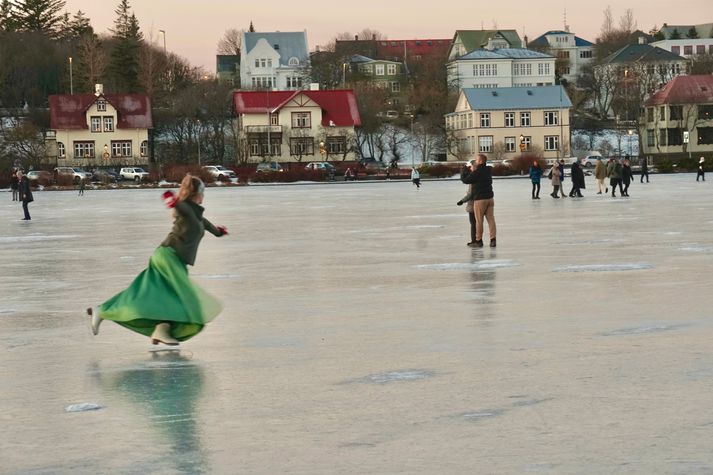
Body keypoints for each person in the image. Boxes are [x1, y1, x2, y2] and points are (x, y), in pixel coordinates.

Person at [87, 174, 229, 346]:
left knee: (160, 297)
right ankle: (112, 314)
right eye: (202, 192)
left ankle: (158, 328)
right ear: (196, 193)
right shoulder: (185, 207)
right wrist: (171, 200)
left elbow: (208, 226)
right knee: (185, 297)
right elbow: (178, 206)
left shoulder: (197, 215)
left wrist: (219, 232)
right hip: (169, 256)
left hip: (175, 260)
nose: (203, 196)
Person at [461, 154, 496, 247]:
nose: (475, 161)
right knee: (491, 220)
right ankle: (493, 240)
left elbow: (465, 180)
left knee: (479, 221)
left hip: (480, 200)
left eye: (476, 160)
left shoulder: (477, 172)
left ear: (480, 161)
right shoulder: (488, 170)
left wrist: (464, 171)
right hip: (490, 198)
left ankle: (478, 241)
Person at [457, 160, 477, 246]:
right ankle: (477, 240)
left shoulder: (474, 178)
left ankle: (475, 240)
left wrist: (462, 201)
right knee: (476, 223)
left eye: (471, 167)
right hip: (478, 202)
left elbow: (470, 193)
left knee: (473, 224)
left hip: (473, 204)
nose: (470, 168)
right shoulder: (478, 175)